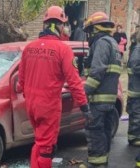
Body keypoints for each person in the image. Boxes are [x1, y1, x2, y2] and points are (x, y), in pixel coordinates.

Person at [18, 5, 91, 168]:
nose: (65, 29)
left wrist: (30, 96)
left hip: (31, 105)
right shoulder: (63, 50)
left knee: (39, 141)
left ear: (45, 24)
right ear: (59, 25)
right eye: (64, 25)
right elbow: (74, 82)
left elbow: (20, 82)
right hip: (49, 107)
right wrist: (84, 107)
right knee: (46, 148)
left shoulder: (29, 48)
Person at [80, 12, 122, 168]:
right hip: (110, 99)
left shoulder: (102, 43)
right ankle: (102, 163)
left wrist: (84, 92)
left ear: (95, 29)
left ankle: (95, 165)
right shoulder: (113, 43)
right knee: (104, 134)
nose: (89, 35)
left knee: (95, 132)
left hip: (98, 101)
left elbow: (97, 72)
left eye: (90, 31)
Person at [127, 29, 140, 147]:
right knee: (136, 113)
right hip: (135, 88)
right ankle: (134, 137)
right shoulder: (138, 49)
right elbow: (135, 67)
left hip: (137, 87)